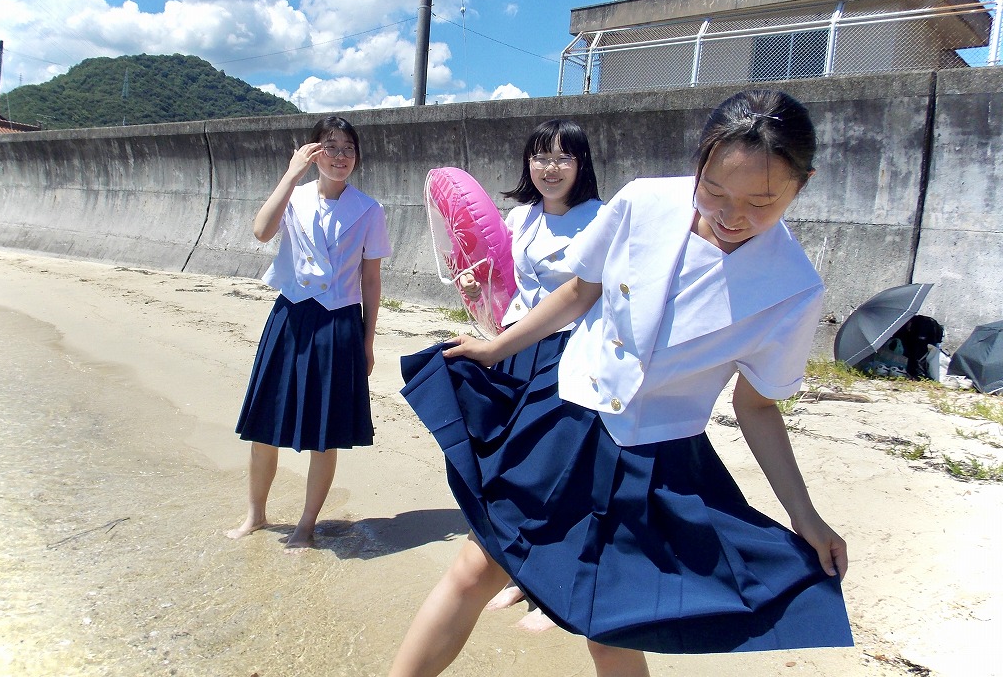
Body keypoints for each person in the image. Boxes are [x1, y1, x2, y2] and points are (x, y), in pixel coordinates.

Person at [391, 90, 852, 676]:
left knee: (613, 628)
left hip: (657, 458)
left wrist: (803, 514)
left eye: (761, 202)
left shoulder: (793, 288)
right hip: (565, 416)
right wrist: (497, 346)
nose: (732, 215)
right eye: (714, 190)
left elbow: (757, 407)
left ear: (801, 184)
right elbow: (580, 291)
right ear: (700, 162)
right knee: (475, 569)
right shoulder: (643, 201)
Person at [458, 119, 605, 629]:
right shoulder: (520, 218)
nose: (550, 167)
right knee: (508, 461)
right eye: (541, 157)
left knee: (559, 470)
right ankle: (515, 570)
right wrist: (477, 279)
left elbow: (591, 297)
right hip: (516, 348)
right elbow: (501, 277)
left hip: (572, 356)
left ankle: (548, 585)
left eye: (564, 157)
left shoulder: (600, 220)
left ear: (581, 164)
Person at [226, 116, 391, 553]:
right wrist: (291, 172)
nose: (339, 157)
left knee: (325, 433)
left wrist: (368, 339)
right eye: (329, 147)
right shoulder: (294, 196)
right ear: (313, 151)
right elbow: (261, 231)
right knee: (264, 426)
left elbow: (371, 280)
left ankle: (306, 524)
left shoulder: (369, 210)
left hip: (338, 323)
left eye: (348, 149)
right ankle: (255, 514)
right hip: (290, 317)